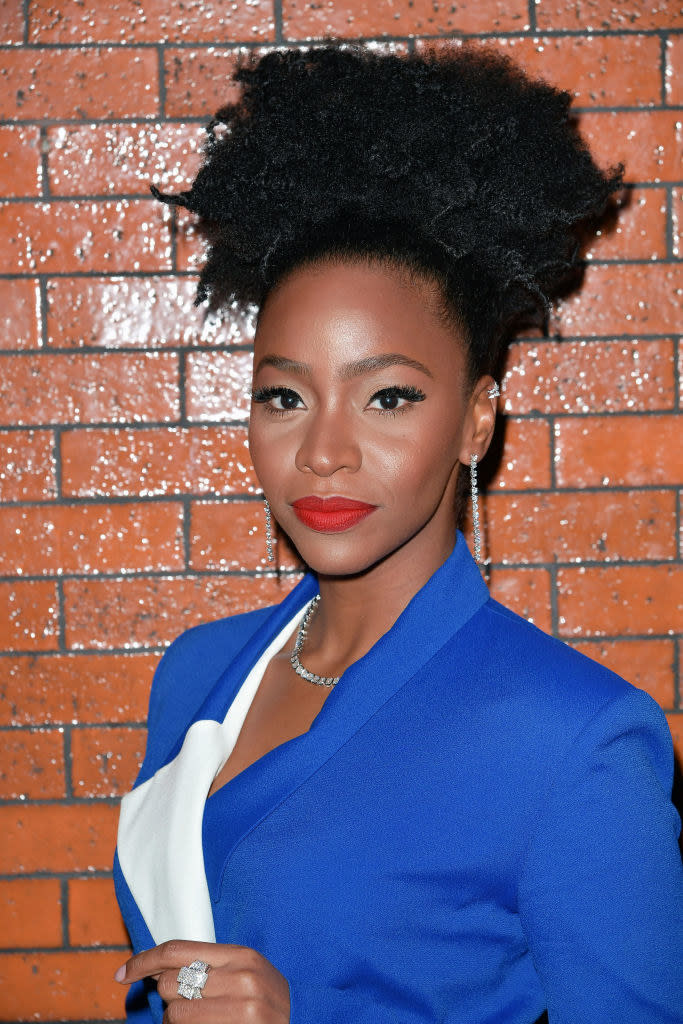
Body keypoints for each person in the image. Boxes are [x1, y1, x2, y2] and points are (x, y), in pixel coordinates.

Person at [112, 45, 683, 1023]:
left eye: (386, 396)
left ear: (475, 417)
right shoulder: (195, 674)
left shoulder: (574, 742)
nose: (323, 451)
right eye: (284, 395)